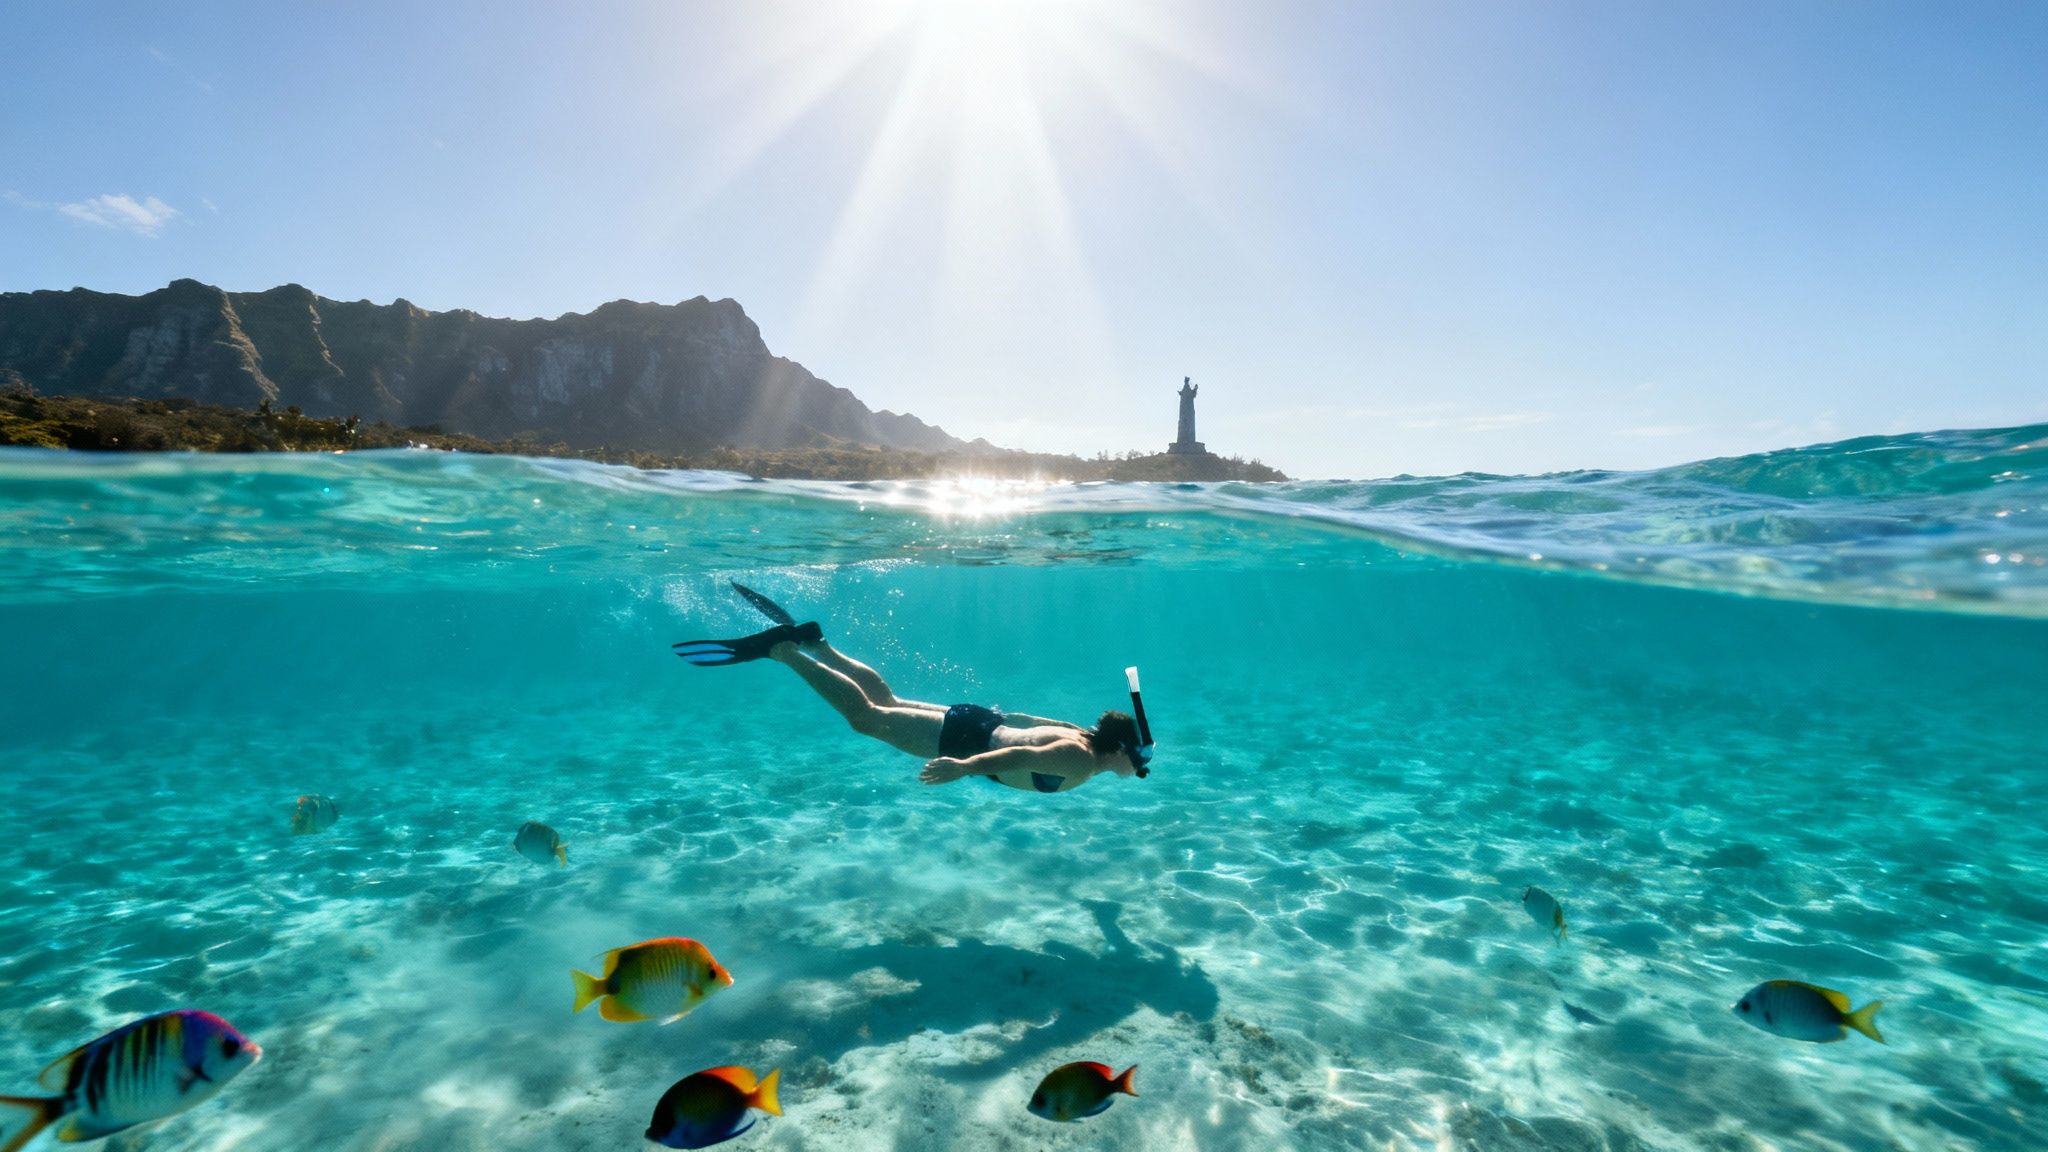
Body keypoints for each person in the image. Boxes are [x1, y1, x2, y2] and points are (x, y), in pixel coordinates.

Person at [674, 585, 1151, 793]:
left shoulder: (1081, 735)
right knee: (868, 718)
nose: (1141, 769)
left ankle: (818, 644)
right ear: (1123, 752)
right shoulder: (1080, 761)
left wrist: (1000, 725)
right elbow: (1017, 758)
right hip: (968, 742)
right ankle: (784, 651)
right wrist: (964, 767)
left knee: (889, 701)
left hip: (981, 721)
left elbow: (1025, 721)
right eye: (1142, 761)